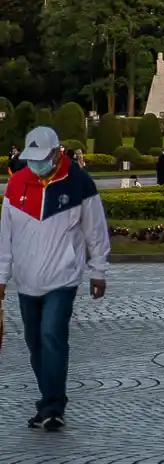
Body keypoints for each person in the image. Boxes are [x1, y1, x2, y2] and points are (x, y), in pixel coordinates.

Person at [0, 127, 110, 431]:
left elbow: (95, 231)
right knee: (34, 342)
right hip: (26, 280)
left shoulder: (79, 183)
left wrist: (98, 270)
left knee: (52, 335)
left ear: (57, 152)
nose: (35, 164)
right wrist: (2, 276)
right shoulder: (16, 185)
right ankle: (50, 399)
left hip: (63, 278)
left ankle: (52, 407)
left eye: (41, 158)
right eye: (31, 158)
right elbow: (5, 237)